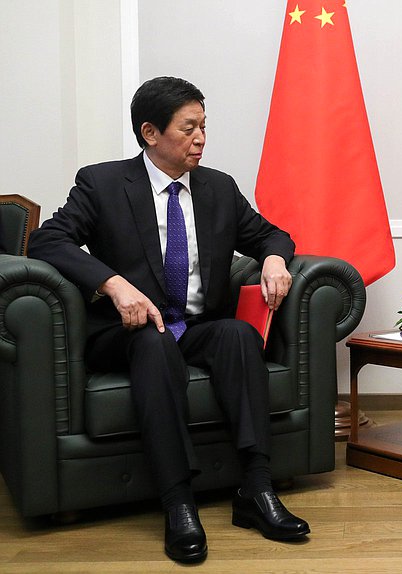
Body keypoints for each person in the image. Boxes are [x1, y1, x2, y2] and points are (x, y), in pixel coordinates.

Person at [28, 76, 309, 564]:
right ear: (151, 133)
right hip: (129, 332)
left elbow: (271, 234)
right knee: (155, 343)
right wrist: (112, 284)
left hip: (198, 326)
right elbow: (50, 240)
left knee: (239, 335)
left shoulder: (218, 187)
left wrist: (274, 259)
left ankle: (257, 491)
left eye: (204, 126)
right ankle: (178, 501)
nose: (201, 138)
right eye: (189, 127)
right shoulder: (103, 182)